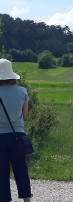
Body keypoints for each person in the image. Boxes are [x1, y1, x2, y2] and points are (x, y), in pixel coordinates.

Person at [0, 59, 32, 202]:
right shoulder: (22, 91)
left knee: (1, 172)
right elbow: (25, 115)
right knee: (21, 170)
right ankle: (26, 199)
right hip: (17, 135)